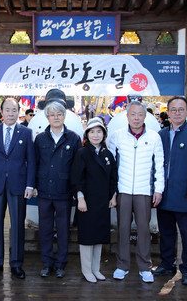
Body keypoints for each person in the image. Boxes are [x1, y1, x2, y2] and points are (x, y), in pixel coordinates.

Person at [107, 100, 165, 283]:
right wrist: (113, 191)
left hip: (144, 190)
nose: (137, 118)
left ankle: (145, 266)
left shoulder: (155, 137)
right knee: (123, 228)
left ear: (145, 116)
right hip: (123, 190)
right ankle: (122, 265)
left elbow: (160, 166)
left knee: (143, 229)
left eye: (140, 114)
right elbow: (111, 167)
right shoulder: (117, 136)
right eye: (133, 114)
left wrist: (159, 189)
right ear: (127, 116)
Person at [0, 98, 36, 280]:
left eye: (14, 110)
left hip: (18, 185)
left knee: (17, 226)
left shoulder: (26, 133)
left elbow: (31, 161)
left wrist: (30, 184)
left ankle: (16, 264)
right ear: (1, 112)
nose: (10, 113)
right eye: (7, 110)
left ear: (18, 112)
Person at [155, 96, 187, 286]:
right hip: (164, 194)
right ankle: (167, 263)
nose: (177, 113)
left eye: (181, 109)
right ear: (168, 112)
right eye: (173, 110)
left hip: (186, 194)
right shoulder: (160, 135)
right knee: (166, 232)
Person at [34, 94, 81, 278]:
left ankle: (61, 263)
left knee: (63, 230)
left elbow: (77, 168)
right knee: (44, 230)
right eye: (52, 114)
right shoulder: (40, 139)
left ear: (64, 116)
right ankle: (46, 263)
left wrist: (76, 190)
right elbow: (35, 164)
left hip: (64, 192)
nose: (55, 117)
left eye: (59, 114)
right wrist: (35, 185)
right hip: (44, 192)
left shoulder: (73, 138)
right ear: (47, 117)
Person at [71, 117, 117, 283]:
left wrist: (113, 196)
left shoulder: (108, 154)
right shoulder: (82, 153)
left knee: (99, 235)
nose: (96, 135)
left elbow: (113, 177)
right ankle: (86, 270)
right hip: (87, 201)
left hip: (103, 201)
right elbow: (77, 178)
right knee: (87, 236)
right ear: (87, 134)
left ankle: (96, 269)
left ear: (104, 134)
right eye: (92, 132)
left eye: (99, 131)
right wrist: (80, 198)